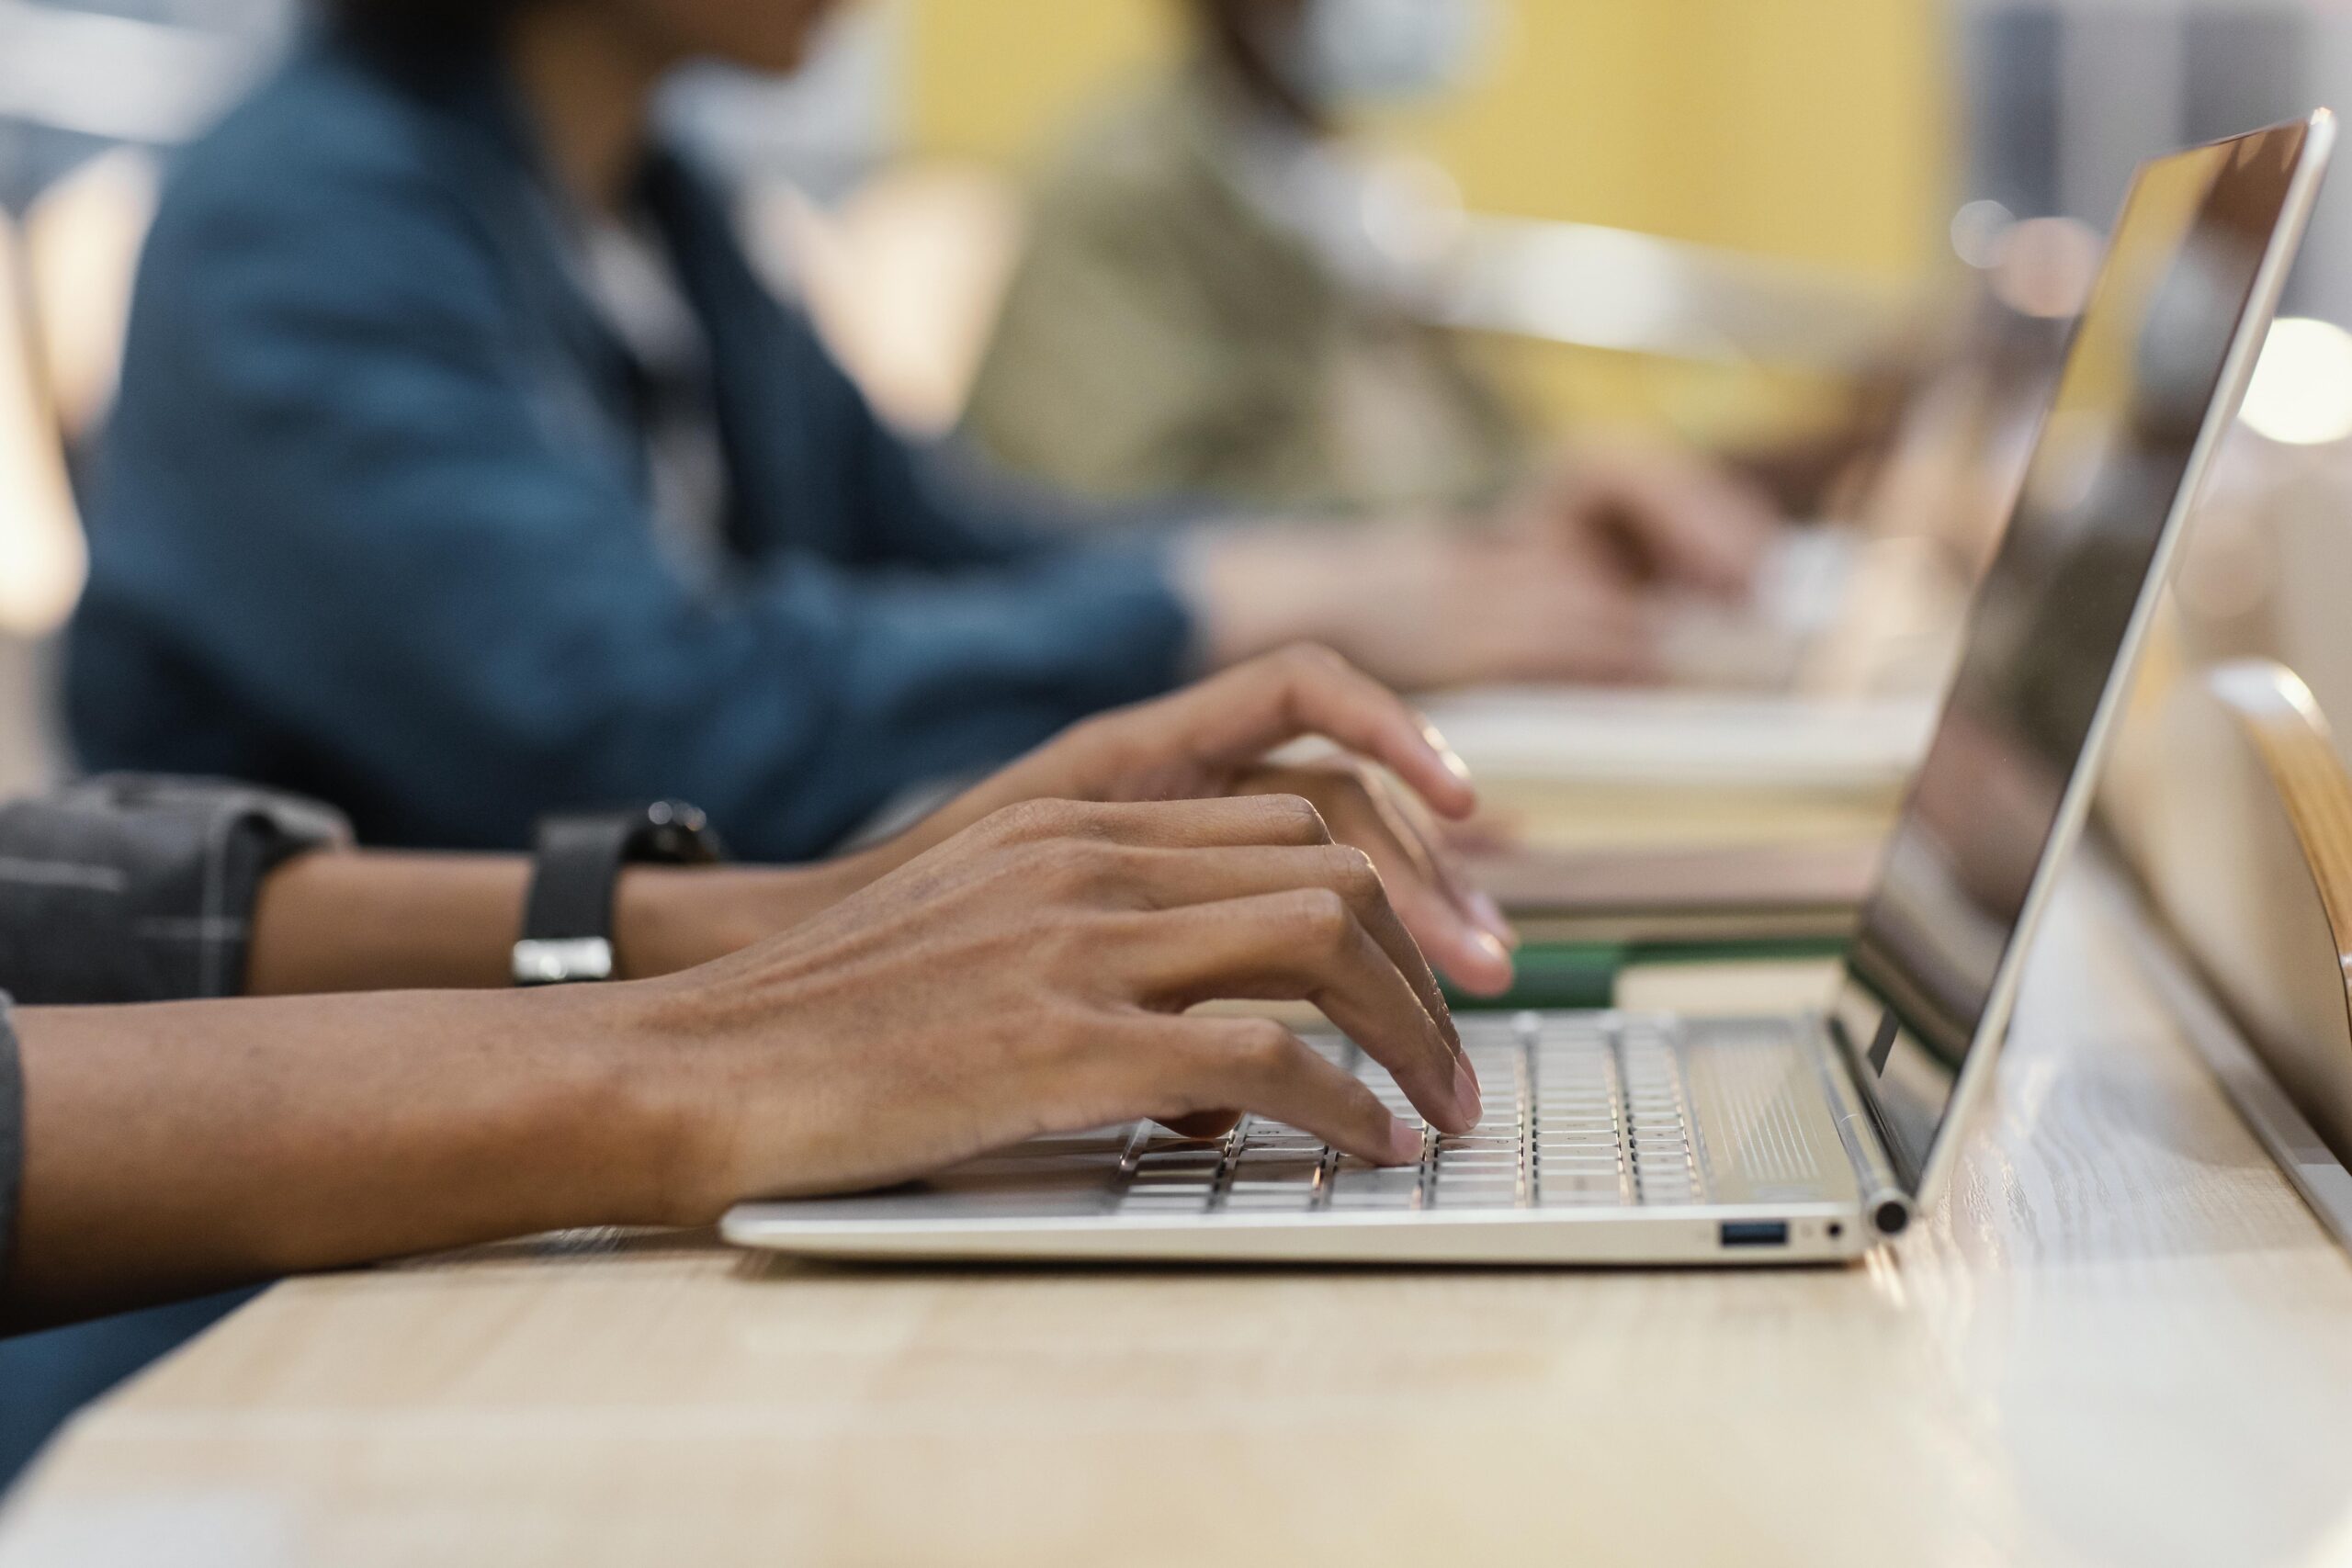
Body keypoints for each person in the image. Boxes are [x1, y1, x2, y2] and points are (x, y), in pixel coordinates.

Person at [68, 0, 1776, 866]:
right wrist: (1232, 597)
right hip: (302, 1217)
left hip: (592, 1067)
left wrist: (1372, 573)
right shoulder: (296, 229)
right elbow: (645, 720)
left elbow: (943, 535)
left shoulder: (662, 210)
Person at [4, 647, 1503, 1332]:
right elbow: (663, 696)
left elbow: (54, 904)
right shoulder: (302, 223)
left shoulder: (681, 217)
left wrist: (796, 923)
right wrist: (692, 1059)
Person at [966, 0, 1529, 517]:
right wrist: (1428, 540)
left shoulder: (1352, 190)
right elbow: (1106, 512)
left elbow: (1484, 453)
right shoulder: (1129, 196)